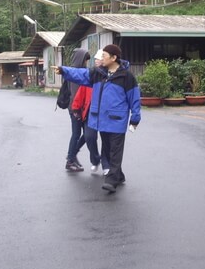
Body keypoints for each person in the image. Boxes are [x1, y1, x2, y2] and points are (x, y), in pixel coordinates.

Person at [56, 44, 141, 193]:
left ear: (114, 58)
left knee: (115, 151)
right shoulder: (98, 73)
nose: (101, 58)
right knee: (107, 149)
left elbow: (134, 98)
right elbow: (80, 74)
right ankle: (119, 175)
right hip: (102, 121)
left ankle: (112, 180)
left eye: (104, 56)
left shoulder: (126, 77)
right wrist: (64, 70)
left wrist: (135, 118)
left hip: (117, 120)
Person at [71, 49, 110, 175]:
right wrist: (76, 108)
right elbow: (80, 93)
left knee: (106, 140)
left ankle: (106, 165)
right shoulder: (91, 74)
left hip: (105, 114)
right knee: (89, 137)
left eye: (100, 58)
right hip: (90, 113)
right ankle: (95, 160)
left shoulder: (112, 75)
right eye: (96, 59)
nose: (97, 61)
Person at [63, 48, 91, 172]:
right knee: (78, 134)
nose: (87, 62)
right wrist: (77, 110)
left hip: (78, 108)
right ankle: (70, 159)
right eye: (86, 60)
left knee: (86, 134)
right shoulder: (76, 73)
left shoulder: (73, 72)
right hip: (76, 109)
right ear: (81, 59)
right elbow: (75, 94)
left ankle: (72, 155)